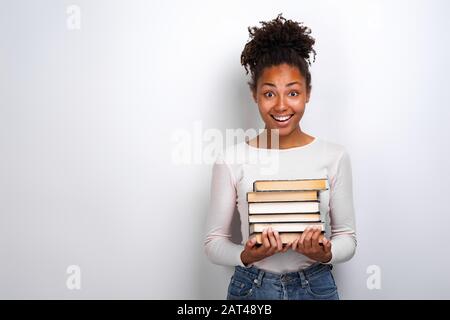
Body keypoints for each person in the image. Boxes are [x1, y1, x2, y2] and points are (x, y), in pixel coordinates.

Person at [203, 13, 357, 300]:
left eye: (293, 93)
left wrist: (326, 252)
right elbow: (213, 243)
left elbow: (348, 237)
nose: (282, 105)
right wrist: (245, 255)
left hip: (317, 286)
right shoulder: (231, 158)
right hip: (251, 288)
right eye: (270, 94)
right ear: (255, 95)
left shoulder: (334, 156)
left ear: (307, 93)